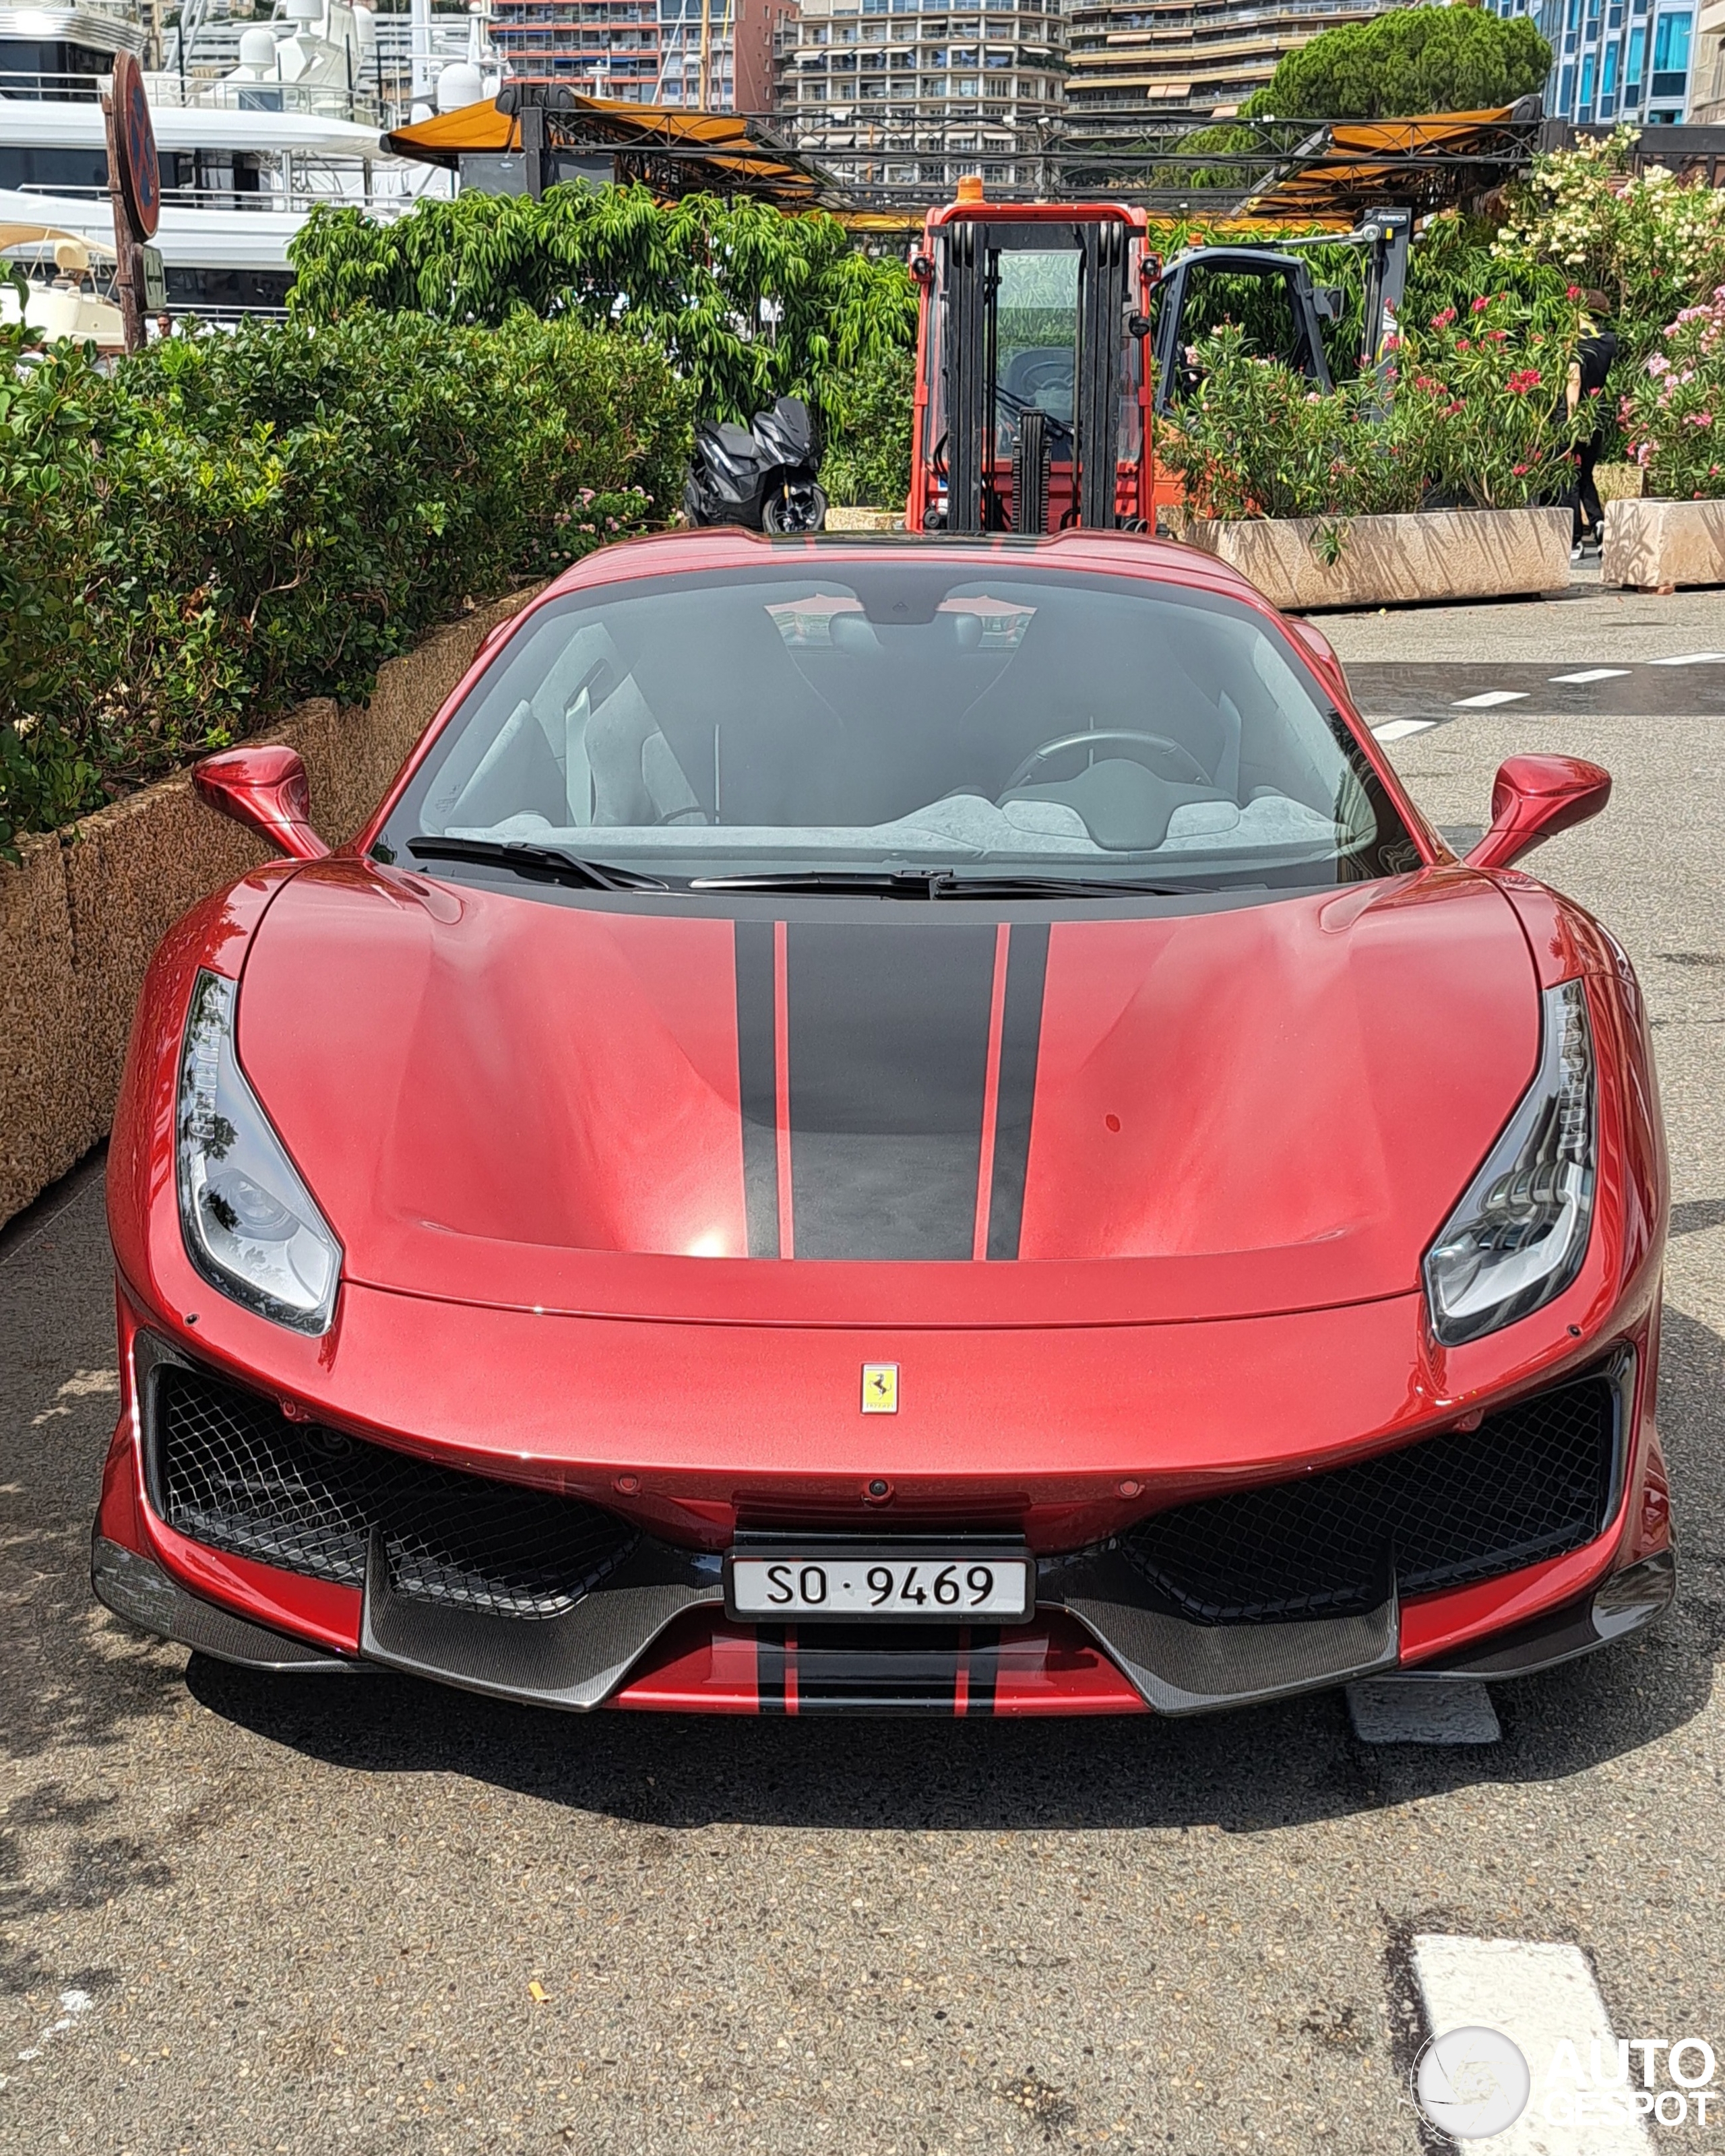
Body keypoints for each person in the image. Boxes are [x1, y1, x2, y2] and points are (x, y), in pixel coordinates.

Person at [1568, 290, 1618, 560]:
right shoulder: (1608, 341)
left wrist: (1572, 418)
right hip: (1597, 412)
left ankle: (1575, 540)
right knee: (1586, 473)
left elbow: (1573, 378)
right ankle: (1598, 522)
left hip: (1576, 412)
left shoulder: (1576, 341)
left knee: (1570, 477)